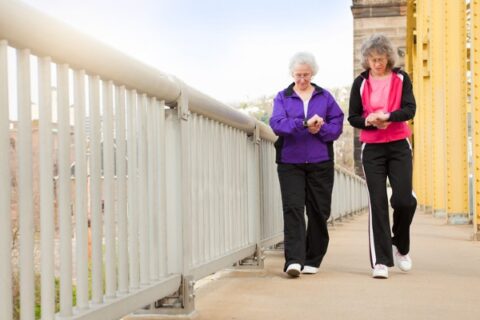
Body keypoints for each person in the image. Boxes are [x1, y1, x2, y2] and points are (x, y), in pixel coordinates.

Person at [348, 34, 417, 279]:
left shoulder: (401, 77)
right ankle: (380, 262)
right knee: (377, 202)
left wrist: (388, 117)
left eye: (381, 58)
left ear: (388, 57)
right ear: (366, 59)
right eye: (372, 59)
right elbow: (353, 117)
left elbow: (410, 109)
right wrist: (368, 121)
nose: (377, 63)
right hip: (373, 149)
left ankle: (402, 246)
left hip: (399, 144)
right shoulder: (360, 82)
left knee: (403, 201)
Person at [270, 52, 344, 277]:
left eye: (306, 75)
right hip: (290, 162)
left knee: (319, 211)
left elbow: (337, 125)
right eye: (298, 75)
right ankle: (293, 260)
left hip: (320, 161)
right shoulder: (282, 97)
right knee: (293, 209)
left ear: (313, 73)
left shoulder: (325, 97)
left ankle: (313, 257)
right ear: (292, 74)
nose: (302, 79)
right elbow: (277, 124)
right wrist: (304, 124)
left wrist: (319, 128)